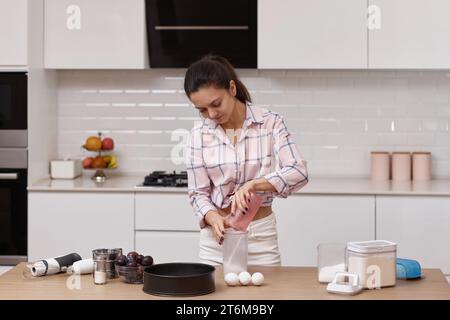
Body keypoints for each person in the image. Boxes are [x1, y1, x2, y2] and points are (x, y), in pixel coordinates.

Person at [184, 55, 308, 266]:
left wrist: (254, 184)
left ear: (232, 89)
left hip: (261, 238)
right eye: (202, 110)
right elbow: (198, 194)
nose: (211, 114)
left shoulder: (270, 122)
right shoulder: (198, 134)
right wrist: (213, 218)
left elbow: (298, 171)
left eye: (216, 104)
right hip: (217, 240)